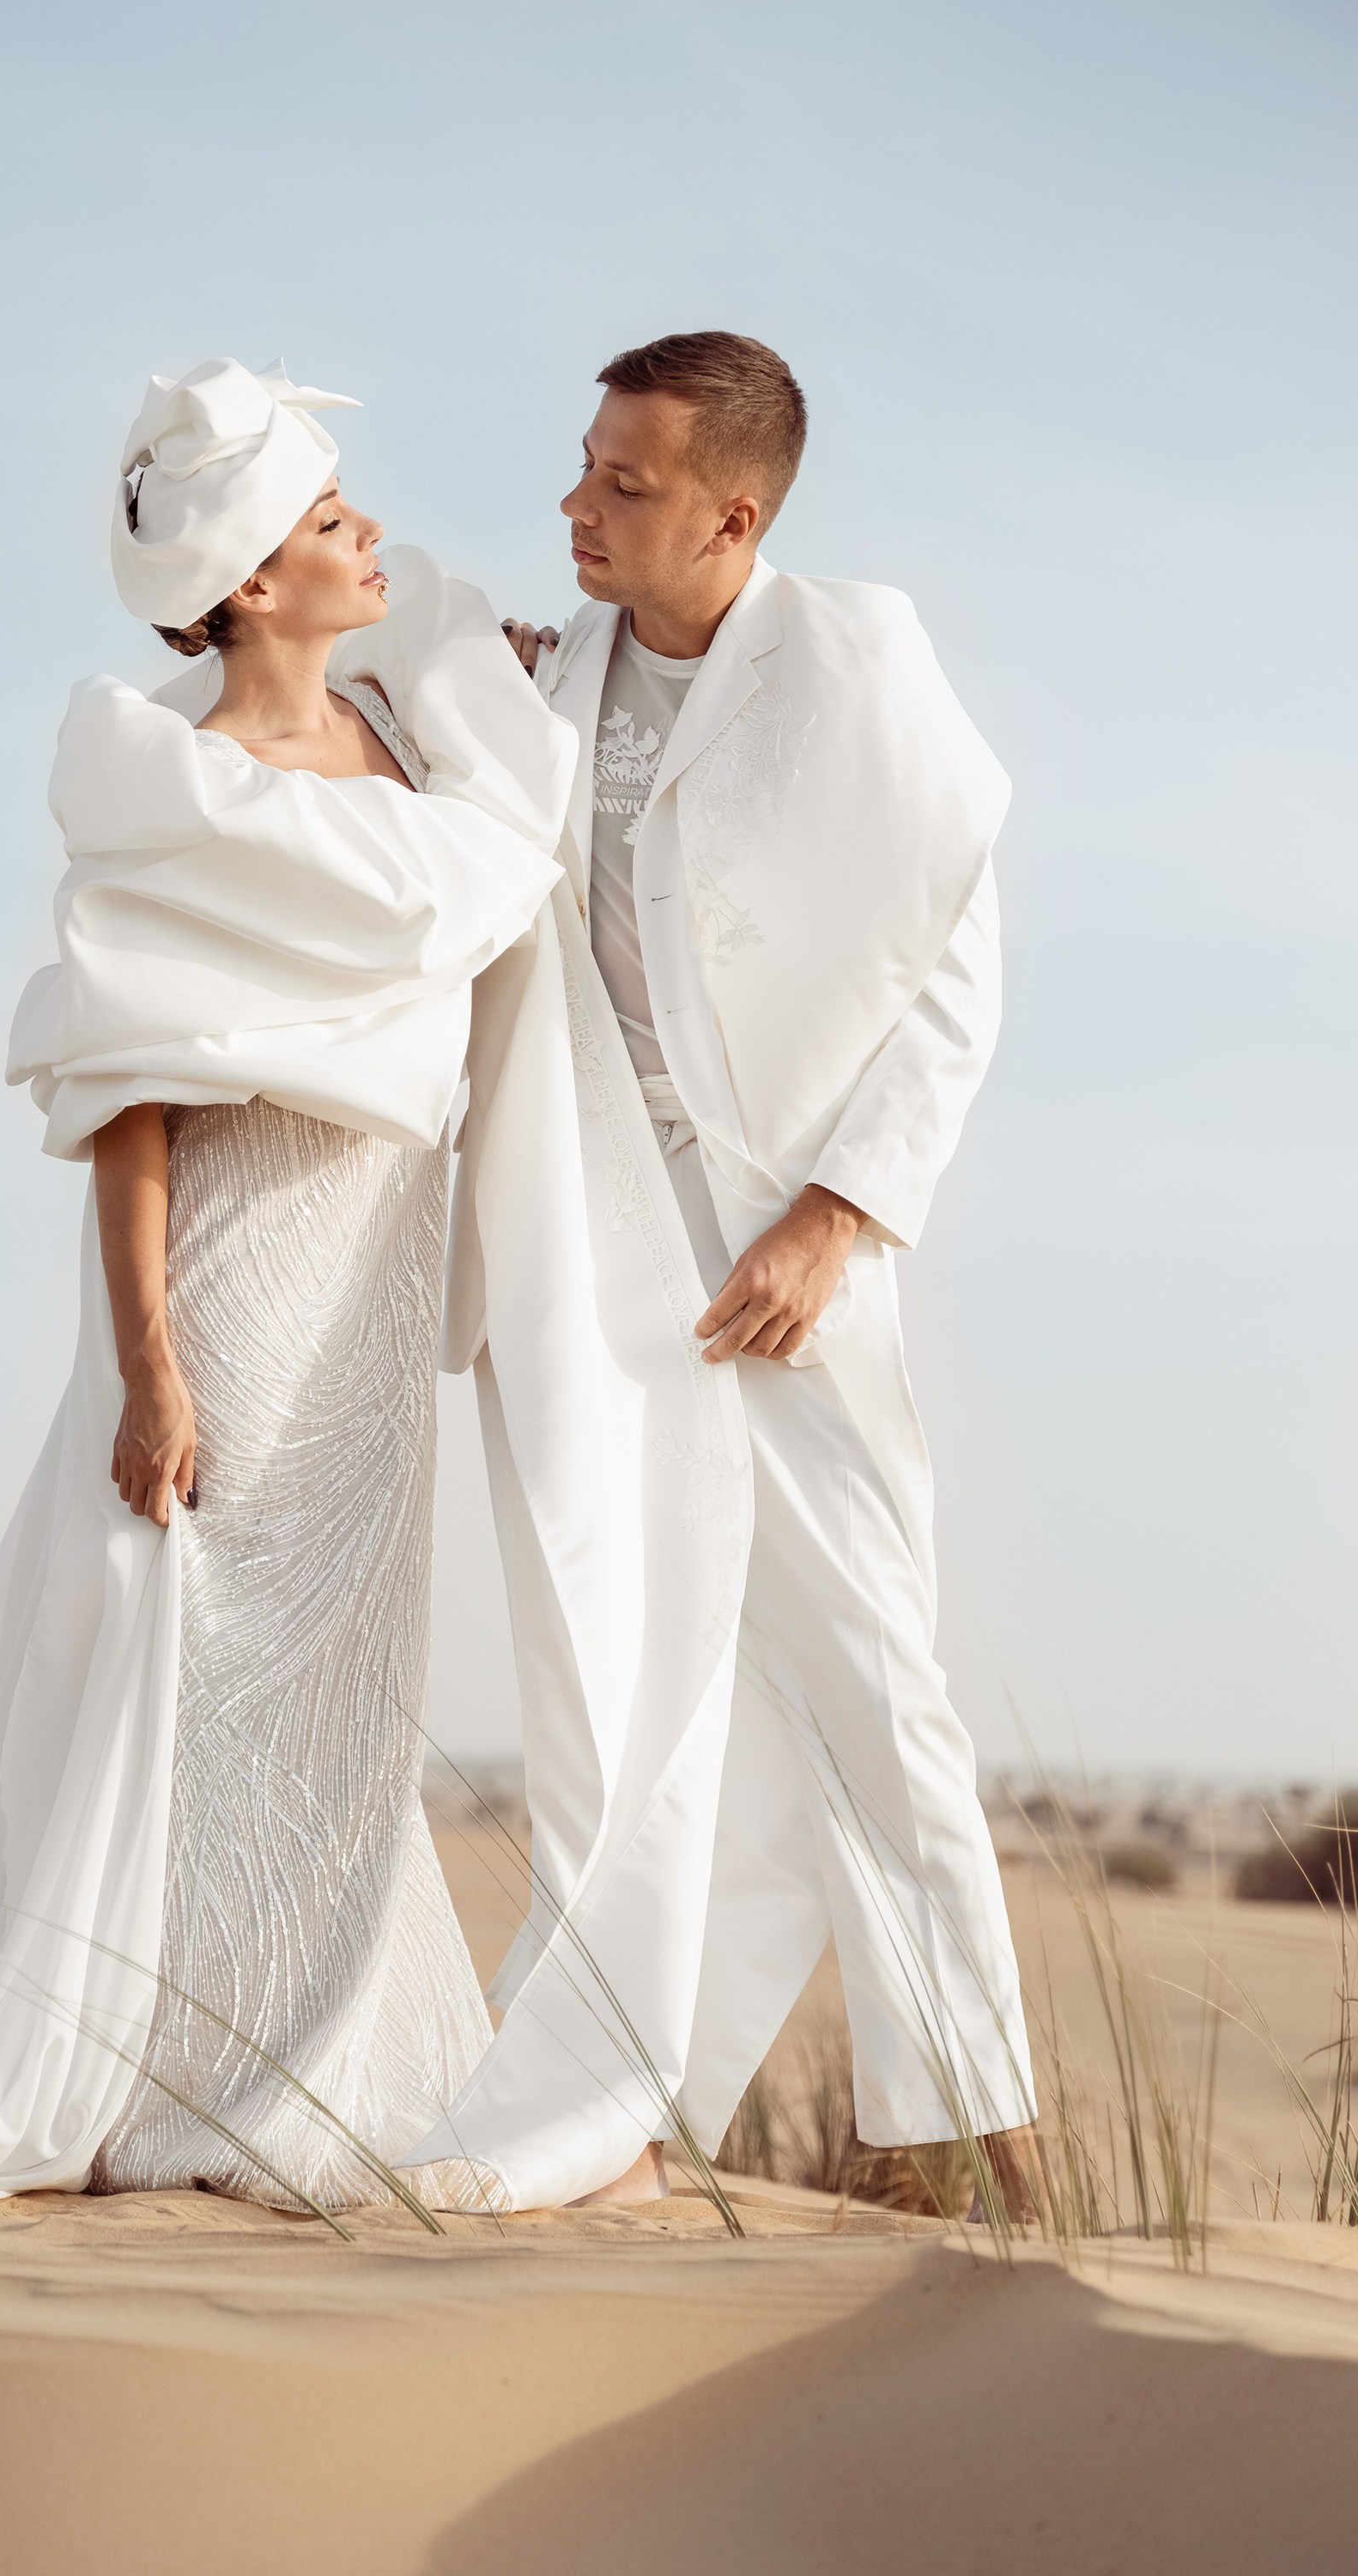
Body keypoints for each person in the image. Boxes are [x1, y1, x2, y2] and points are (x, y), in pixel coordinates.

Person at [0, 357, 569, 2213]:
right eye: (330, 526)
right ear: (252, 585)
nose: (374, 541)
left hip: (373, 1258)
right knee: (189, 1643)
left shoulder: (419, 736)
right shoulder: (172, 787)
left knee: (338, 1675)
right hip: (227, 1263)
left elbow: (507, 865)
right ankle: (154, 2070)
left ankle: (313, 2052)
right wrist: (150, 1369)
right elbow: (131, 1109)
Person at [424, 331, 1038, 2211]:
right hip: (593, 1246)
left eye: (624, 481)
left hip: (791, 1246)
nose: (576, 504)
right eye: (586, 466)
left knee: (866, 1667)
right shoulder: (548, 673)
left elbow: (954, 961)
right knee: (643, 1674)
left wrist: (838, 1219)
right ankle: (623, 2101)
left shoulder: (859, 661)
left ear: (732, 513)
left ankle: (987, 2136)